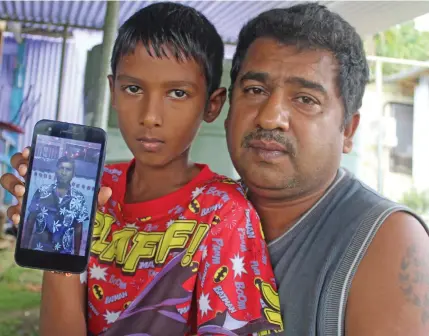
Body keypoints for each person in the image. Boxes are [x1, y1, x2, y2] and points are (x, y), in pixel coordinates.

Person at [0, 3, 282, 336]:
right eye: (133, 89)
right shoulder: (91, 188)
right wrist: (58, 247)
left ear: (212, 104)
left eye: (177, 93)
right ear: (114, 91)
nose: (150, 115)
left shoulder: (224, 213)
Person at [225, 3, 429, 335]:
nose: (270, 117)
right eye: (255, 90)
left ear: (348, 130)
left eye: (305, 99)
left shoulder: (385, 241)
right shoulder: (203, 212)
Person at [22, 156, 89, 255]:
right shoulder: (42, 192)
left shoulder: (79, 198)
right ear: (56, 171)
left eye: (68, 169)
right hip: (38, 250)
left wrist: (76, 255)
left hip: (63, 254)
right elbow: (30, 221)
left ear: (73, 174)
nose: (63, 172)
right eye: (61, 168)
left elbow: (78, 229)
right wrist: (24, 248)